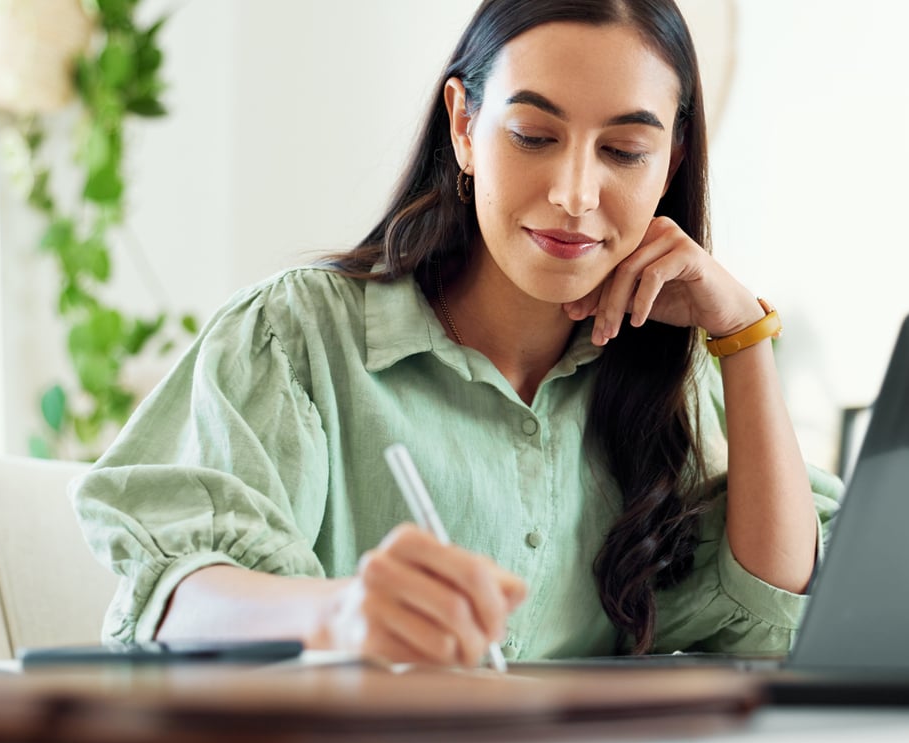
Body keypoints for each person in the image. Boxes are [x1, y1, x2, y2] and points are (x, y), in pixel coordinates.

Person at [72, 0, 842, 668]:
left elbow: (773, 616)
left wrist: (742, 334)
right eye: (535, 136)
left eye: (623, 152)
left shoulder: (667, 379)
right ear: (465, 126)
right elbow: (169, 601)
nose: (575, 195)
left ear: (668, 164)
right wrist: (340, 617)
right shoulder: (296, 336)